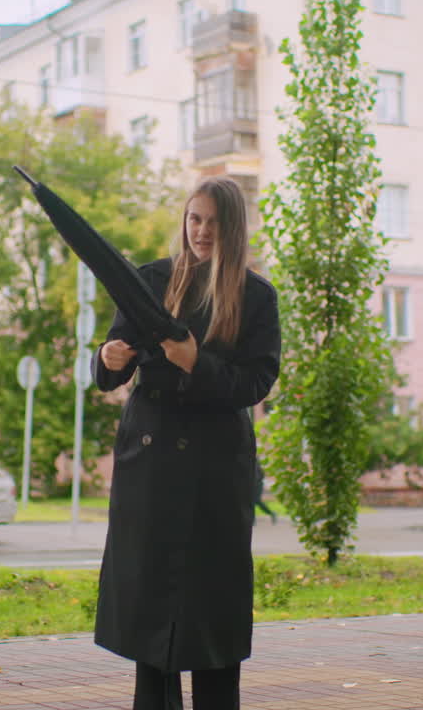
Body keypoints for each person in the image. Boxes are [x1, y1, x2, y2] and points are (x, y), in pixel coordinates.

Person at [92, 176, 281, 710]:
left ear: (233, 228)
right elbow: (112, 362)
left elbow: (256, 382)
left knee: (211, 620)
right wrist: (107, 360)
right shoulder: (150, 279)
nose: (201, 231)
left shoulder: (257, 296)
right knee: (152, 626)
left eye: (213, 223)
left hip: (214, 474)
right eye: (194, 219)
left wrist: (198, 363)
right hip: (149, 468)